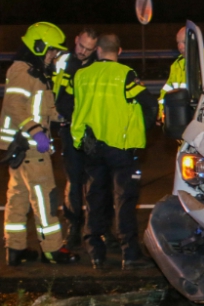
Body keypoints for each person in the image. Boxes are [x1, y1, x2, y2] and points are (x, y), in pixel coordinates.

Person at [64, 34, 157, 270]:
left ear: (97, 51)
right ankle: (130, 255)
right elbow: (150, 104)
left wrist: (81, 142)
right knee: (124, 200)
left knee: (95, 199)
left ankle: (96, 253)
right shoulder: (125, 74)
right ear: (120, 50)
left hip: (92, 148)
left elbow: (76, 110)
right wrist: (139, 131)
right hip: (122, 149)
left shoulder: (81, 76)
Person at [0, 22, 79, 265]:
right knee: (45, 198)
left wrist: (62, 116)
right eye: (52, 50)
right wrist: (37, 133)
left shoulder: (36, 73)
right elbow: (14, 105)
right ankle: (53, 250)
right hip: (30, 146)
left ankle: (15, 249)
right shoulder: (23, 72)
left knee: (18, 198)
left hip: (23, 148)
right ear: (39, 46)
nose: (54, 55)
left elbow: (41, 107)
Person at [53, 28, 99, 248]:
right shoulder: (62, 61)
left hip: (93, 132)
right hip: (69, 130)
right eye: (81, 46)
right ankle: (74, 226)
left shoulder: (98, 64)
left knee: (95, 180)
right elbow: (51, 91)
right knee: (73, 180)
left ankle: (97, 228)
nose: (83, 52)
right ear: (76, 40)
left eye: (89, 49)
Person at [158, 26, 204, 118]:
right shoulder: (177, 65)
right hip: (181, 118)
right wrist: (161, 112)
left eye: (184, 42)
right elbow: (167, 92)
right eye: (178, 43)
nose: (180, 46)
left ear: (195, 42)